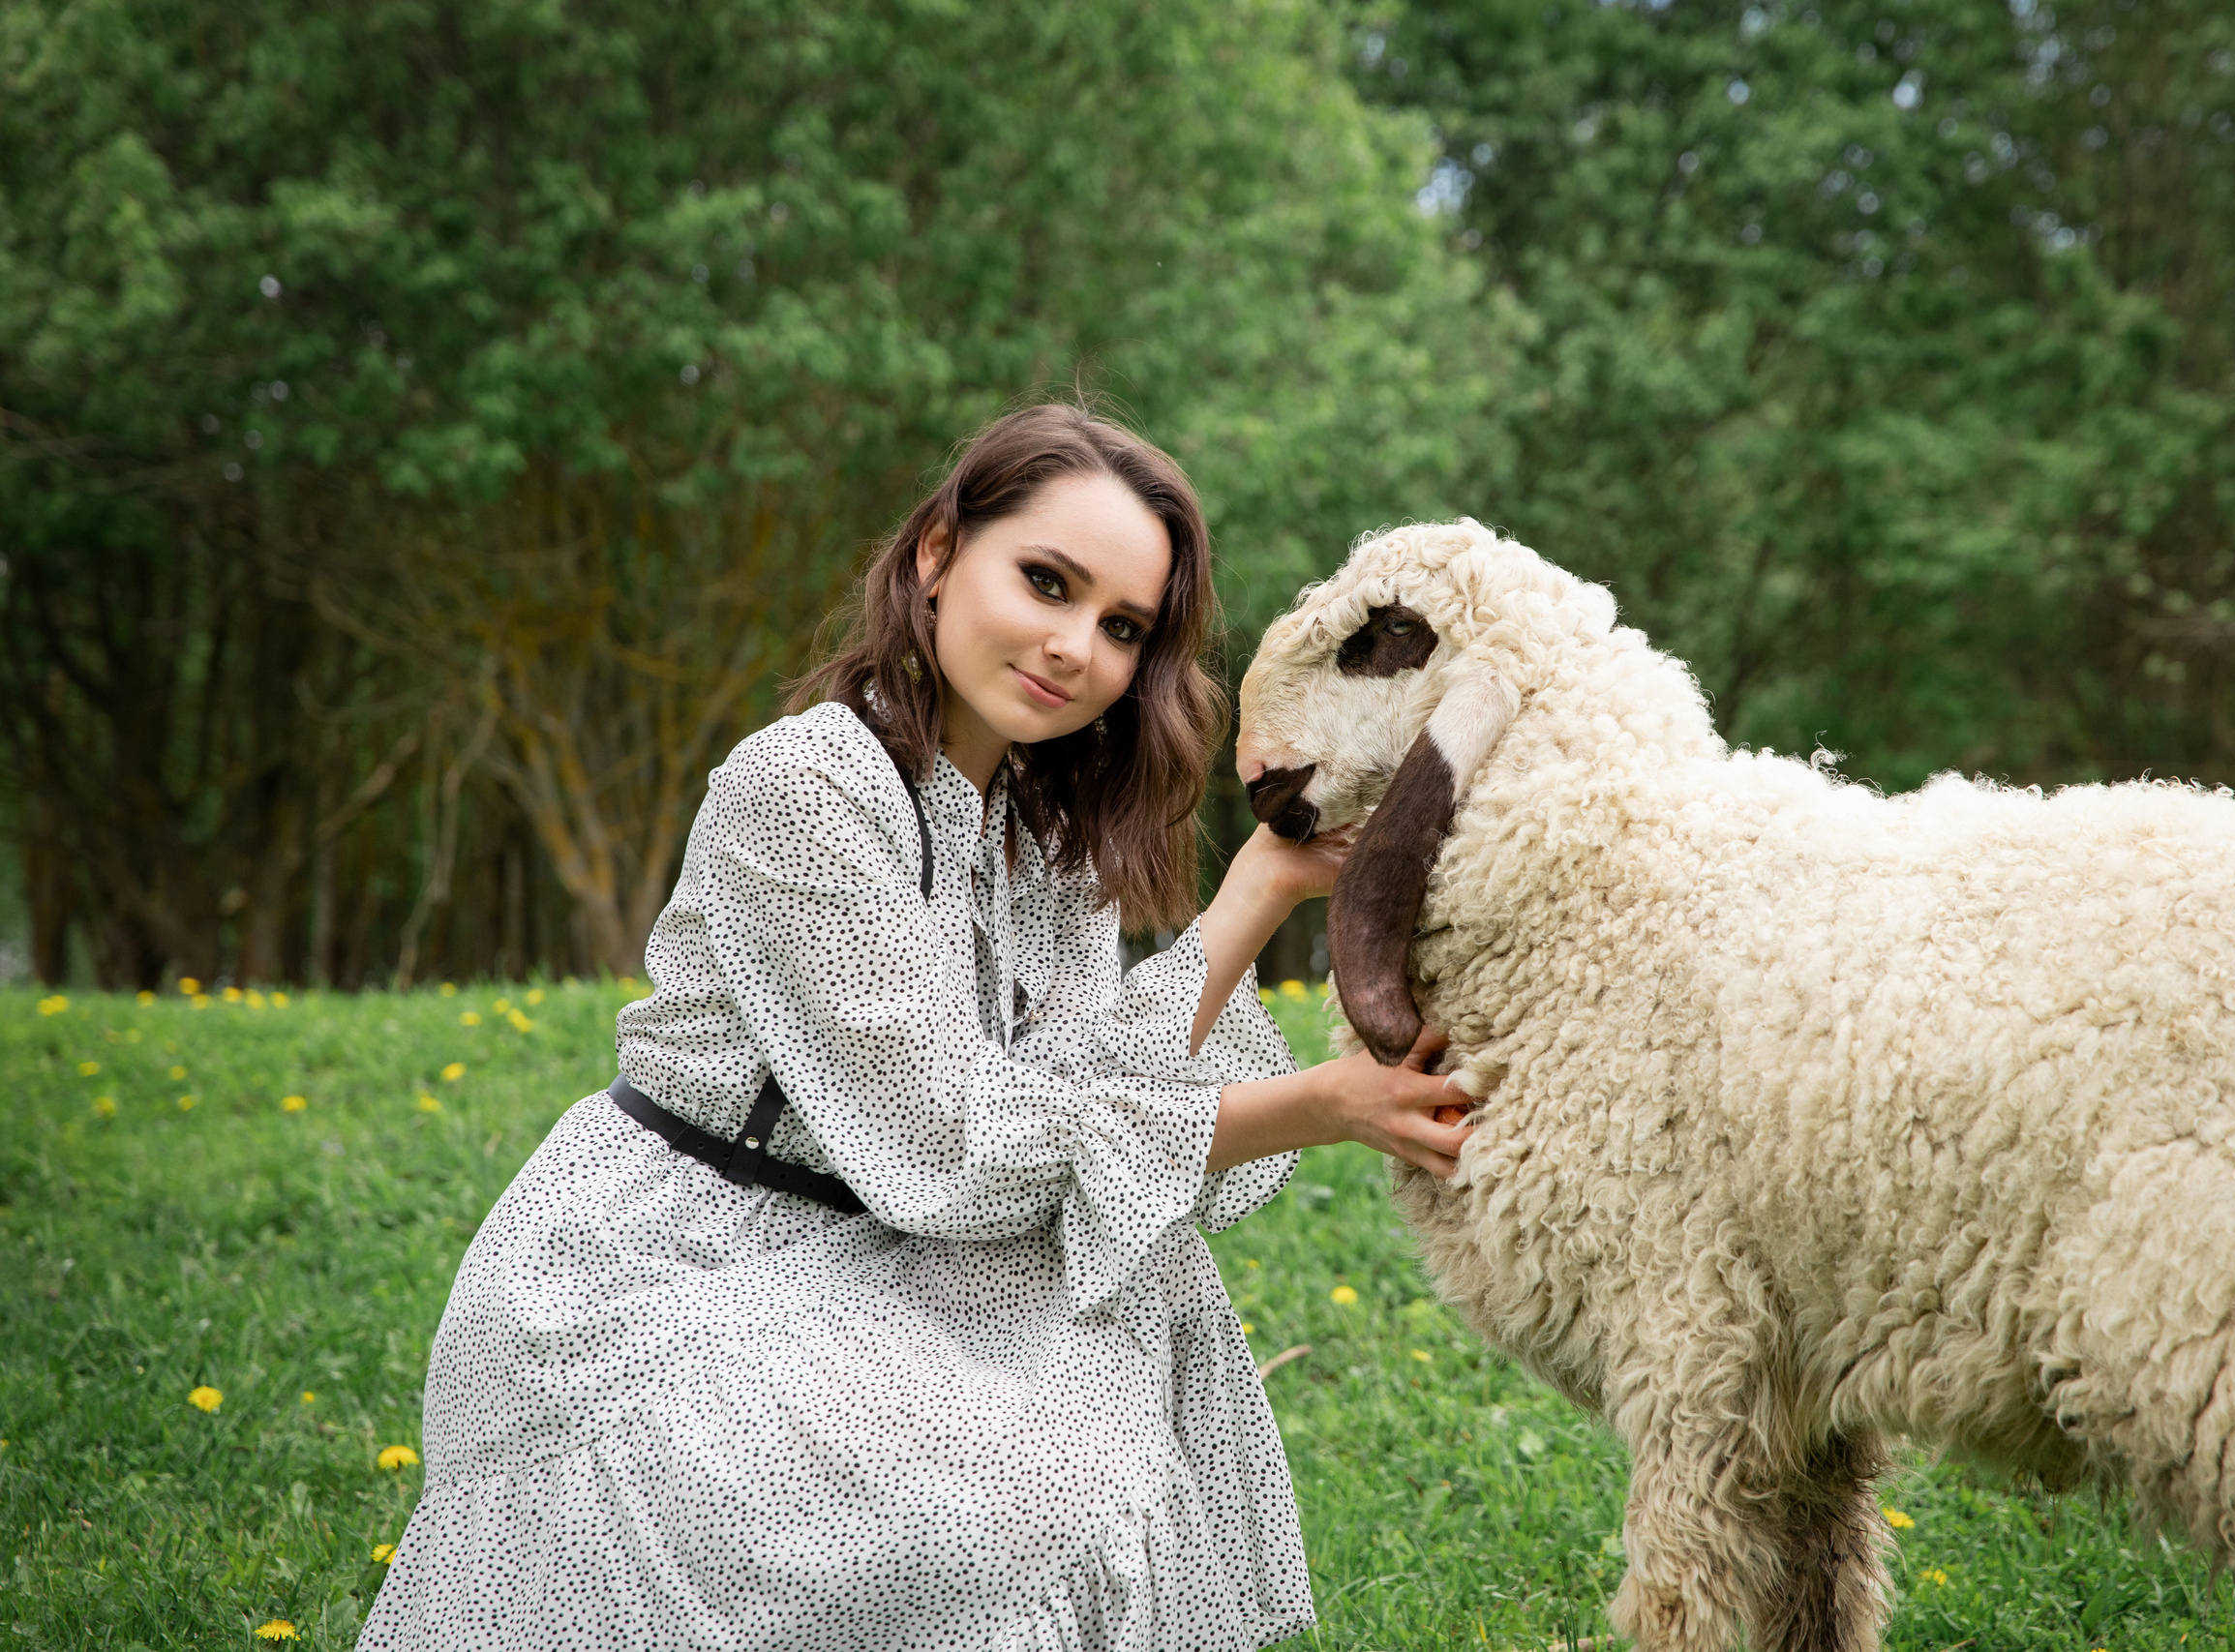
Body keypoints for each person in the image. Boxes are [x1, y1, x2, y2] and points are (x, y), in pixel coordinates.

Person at [359, 404, 1468, 1651]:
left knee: (1139, 1344)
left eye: (1120, 628)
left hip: (882, 1243)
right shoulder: (801, 791)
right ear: (939, 555)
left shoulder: (1034, 830)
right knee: (1001, 1491)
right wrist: (1316, 1108)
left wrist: (1265, 886)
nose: (1071, 648)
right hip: (698, 1261)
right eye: (1044, 582)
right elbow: (963, 1144)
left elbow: (1091, 1084)